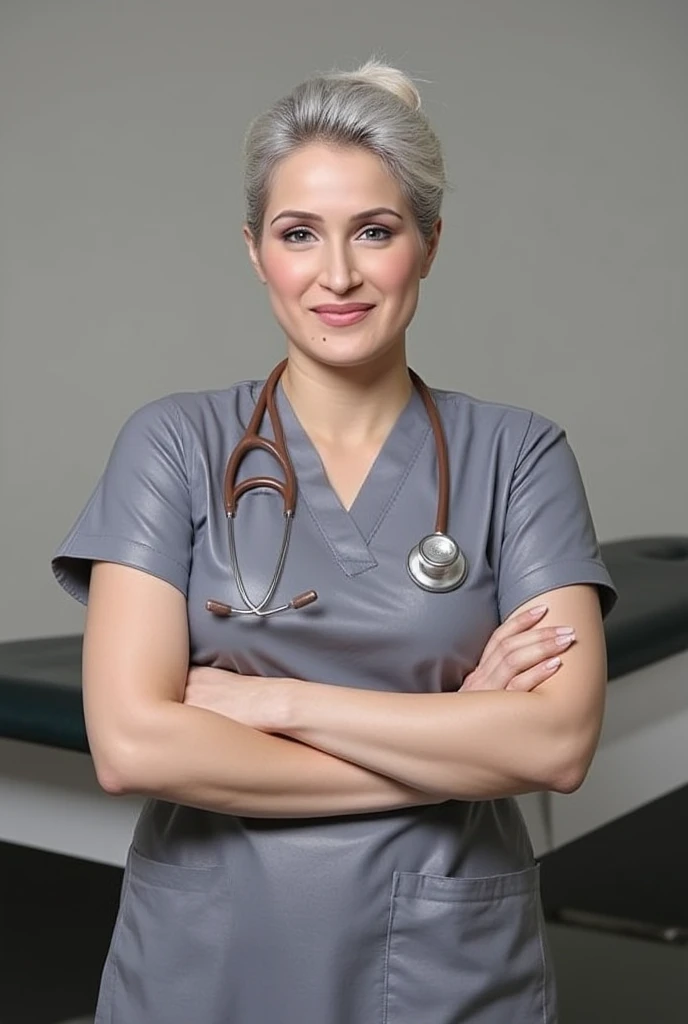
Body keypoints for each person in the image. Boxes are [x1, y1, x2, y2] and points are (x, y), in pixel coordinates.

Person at [52, 58, 617, 1024]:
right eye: (299, 234)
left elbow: (557, 741)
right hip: (207, 956)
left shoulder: (518, 455)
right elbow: (135, 745)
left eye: (377, 232)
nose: (338, 274)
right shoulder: (174, 445)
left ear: (430, 246)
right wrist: (453, 732)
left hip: (442, 962)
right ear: (254, 248)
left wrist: (267, 701)